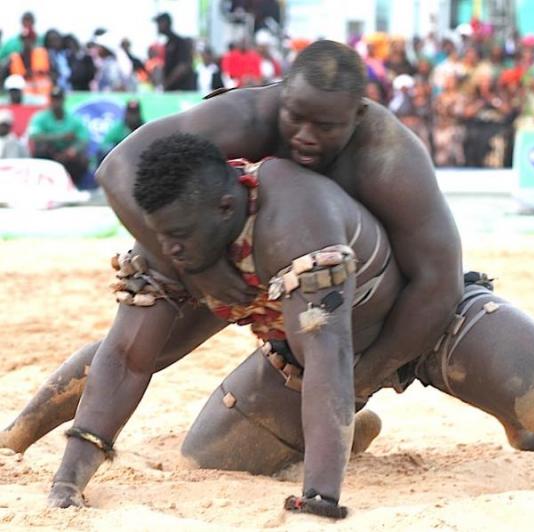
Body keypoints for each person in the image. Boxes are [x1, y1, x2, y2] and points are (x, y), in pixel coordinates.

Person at [16, 133, 534, 517]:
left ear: (230, 206)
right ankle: (351, 430)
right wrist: (56, 474)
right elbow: (123, 355)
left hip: (431, 320)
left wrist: (322, 500)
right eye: (161, 242)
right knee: (212, 458)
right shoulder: (175, 240)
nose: (170, 254)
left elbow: (331, 365)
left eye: (181, 241)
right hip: (309, 357)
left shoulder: (295, 218)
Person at [89, 39, 465, 417]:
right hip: (226, 255)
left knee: (472, 332)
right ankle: (30, 430)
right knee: (143, 345)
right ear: (283, 95)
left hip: (345, 291)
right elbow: (118, 167)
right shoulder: (247, 116)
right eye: (295, 117)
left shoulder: (389, 159)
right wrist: (200, 267)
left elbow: (440, 282)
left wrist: (362, 381)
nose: (304, 135)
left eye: (325, 126)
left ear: (358, 114)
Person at [27, 87, 90, 186]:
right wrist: (60, 137)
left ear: (63, 100)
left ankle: (75, 185)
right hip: (50, 154)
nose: (56, 102)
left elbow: (84, 139)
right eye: (54, 99)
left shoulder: (73, 119)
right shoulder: (40, 117)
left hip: (67, 154)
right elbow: (34, 136)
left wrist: (73, 150)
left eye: (59, 99)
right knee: (41, 148)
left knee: (83, 157)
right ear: (50, 100)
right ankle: (43, 184)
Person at [153, 12, 196, 91]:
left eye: (159, 23)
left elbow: (182, 67)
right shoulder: (168, 43)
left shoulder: (179, 42)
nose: (157, 26)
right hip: (172, 90)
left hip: (181, 90)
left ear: (165, 23)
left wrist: (166, 84)